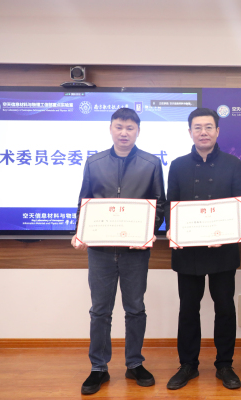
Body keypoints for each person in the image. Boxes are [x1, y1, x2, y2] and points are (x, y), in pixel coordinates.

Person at [72, 107, 165, 395]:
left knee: (135, 308)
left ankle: (134, 363)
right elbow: (85, 202)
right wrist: (80, 232)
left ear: (138, 131)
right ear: (110, 129)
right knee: (100, 310)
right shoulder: (94, 162)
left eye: (130, 128)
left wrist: (148, 232)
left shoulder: (151, 163)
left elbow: (159, 204)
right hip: (100, 250)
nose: (124, 133)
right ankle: (98, 367)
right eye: (119, 127)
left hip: (135, 251)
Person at [165, 108, 241, 390]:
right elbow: (171, 204)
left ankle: (225, 365)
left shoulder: (233, 164)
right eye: (197, 127)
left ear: (217, 131)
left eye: (209, 127)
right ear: (190, 132)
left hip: (223, 250)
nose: (203, 132)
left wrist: (227, 232)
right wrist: (173, 228)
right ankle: (188, 364)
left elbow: (239, 204)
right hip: (188, 252)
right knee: (189, 309)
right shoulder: (177, 165)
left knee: (225, 308)